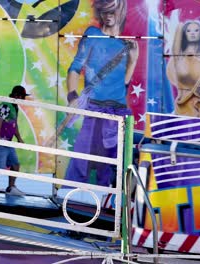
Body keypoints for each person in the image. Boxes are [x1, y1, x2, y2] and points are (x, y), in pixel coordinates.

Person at [64, 0, 138, 186]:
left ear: (120, 11)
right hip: (95, 109)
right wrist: (72, 96)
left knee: (112, 165)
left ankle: (109, 202)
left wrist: (133, 62)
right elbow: (75, 68)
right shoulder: (93, 34)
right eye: (105, 11)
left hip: (118, 112)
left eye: (112, 11)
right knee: (81, 160)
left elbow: (124, 85)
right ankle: (71, 196)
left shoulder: (125, 45)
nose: (108, 15)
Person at [166, 20, 200, 119]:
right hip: (185, 103)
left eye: (196, 30)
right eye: (189, 31)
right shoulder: (179, 57)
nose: (193, 33)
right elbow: (178, 34)